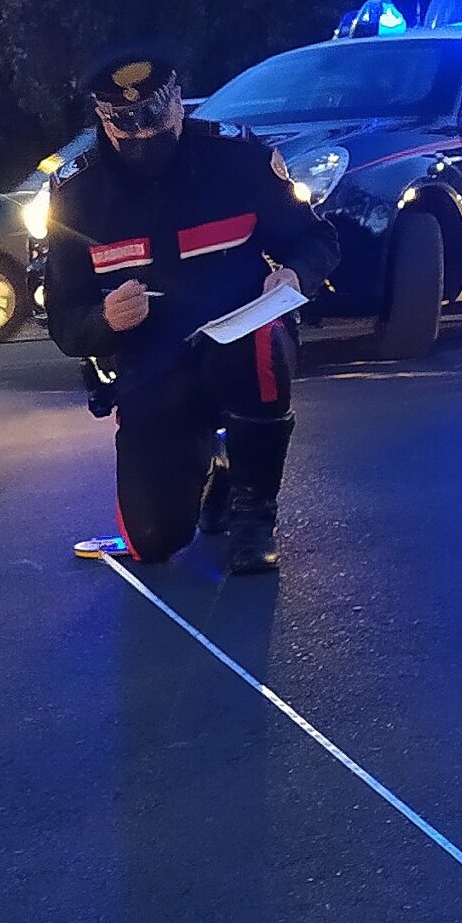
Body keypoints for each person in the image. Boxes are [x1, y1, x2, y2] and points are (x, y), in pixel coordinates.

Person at [46, 50, 341, 574]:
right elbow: (65, 318)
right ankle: (214, 465)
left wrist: (295, 275)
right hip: (150, 364)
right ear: (104, 121)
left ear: (178, 102)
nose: (143, 134)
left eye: (155, 117)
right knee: (153, 541)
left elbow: (317, 239)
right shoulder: (76, 195)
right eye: (126, 124)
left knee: (260, 343)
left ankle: (254, 513)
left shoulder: (238, 160)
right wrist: (104, 319)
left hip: (240, 342)